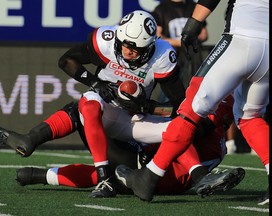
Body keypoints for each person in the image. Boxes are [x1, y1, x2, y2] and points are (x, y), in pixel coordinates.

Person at [0, 10, 244, 199]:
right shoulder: (105, 39)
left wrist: (145, 105)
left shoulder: (162, 57)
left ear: (149, 48)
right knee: (88, 102)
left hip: (137, 131)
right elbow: (66, 60)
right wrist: (95, 83)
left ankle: (43, 168)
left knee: (178, 125)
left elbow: (179, 109)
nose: (127, 53)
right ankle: (96, 173)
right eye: (124, 46)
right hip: (115, 118)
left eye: (135, 50)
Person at [115, 0, 269, 205]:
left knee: (189, 110)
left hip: (240, 38)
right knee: (251, 118)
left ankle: (149, 177)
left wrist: (193, 24)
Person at [13, 95, 243, 197]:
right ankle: (37, 175)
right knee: (109, 176)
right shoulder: (218, 140)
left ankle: (31, 140)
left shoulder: (206, 129)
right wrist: (149, 109)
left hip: (152, 171)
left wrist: (144, 112)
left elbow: (183, 131)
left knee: (79, 109)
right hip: (164, 178)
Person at [152, 0, 208, 89]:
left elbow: (204, 34)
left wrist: (191, 40)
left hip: (193, 58)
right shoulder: (161, 9)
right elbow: (157, 36)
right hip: (171, 57)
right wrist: (181, 42)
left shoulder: (194, 6)